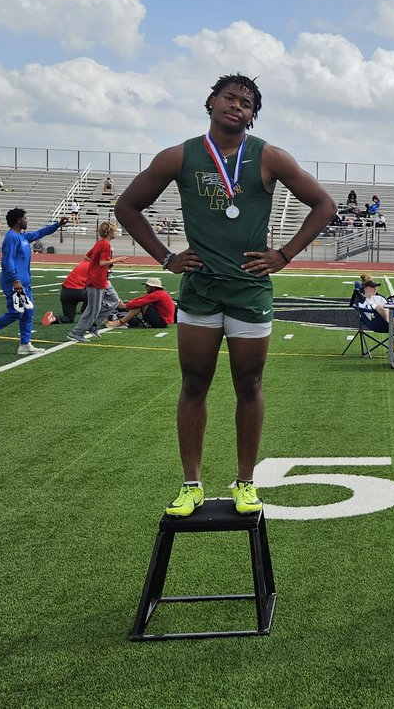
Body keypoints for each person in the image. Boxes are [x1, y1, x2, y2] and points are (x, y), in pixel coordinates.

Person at [115, 72, 335, 517]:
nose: (238, 105)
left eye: (247, 103)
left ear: (253, 115)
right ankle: (191, 483)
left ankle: (246, 482)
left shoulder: (269, 156)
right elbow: (126, 206)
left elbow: (324, 205)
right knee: (194, 383)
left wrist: (285, 254)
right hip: (200, 287)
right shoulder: (180, 156)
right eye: (230, 98)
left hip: (250, 289)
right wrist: (165, 257)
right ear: (211, 102)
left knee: (249, 384)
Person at [0, 208, 68, 355]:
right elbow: (7, 261)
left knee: (29, 312)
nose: (26, 221)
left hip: (24, 283)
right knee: (16, 312)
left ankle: (25, 344)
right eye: (25, 218)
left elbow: (40, 233)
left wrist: (58, 224)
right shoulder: (11, 238)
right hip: (13, 282)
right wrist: (15, 280)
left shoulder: (22, 236)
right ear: (18, 220)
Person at [68, 222, 125, 341]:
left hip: (101, 278)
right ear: (109, 232)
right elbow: (102, 262)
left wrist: (97, 265)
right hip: (96, 280)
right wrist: (117, 259)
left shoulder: (100, 243)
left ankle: (93, 324)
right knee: (93, 309)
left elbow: (88, 257)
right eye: (114, 231)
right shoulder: (105, 245)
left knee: (114, 301)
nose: (115, 233)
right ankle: (76, 332)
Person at [108, 277, 176, 328]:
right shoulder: (158, 293)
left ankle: (121, 322)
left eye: (147, 286)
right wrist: (129, 302)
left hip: (162, 322)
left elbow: (140, 302)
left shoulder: (157, 295)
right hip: (163, 321)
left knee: (141, 305)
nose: (146, 288)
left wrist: (124, 306)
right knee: (139, 304)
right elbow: (141, 298)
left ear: (152, 287)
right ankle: (124, 320)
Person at [56, 259, 91, 323]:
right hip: (79, 291)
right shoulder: (94, 265)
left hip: (65, 292)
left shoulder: (83, 264)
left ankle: (55, 319)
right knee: (98, 295)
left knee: (68, 318)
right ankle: (106, 316)